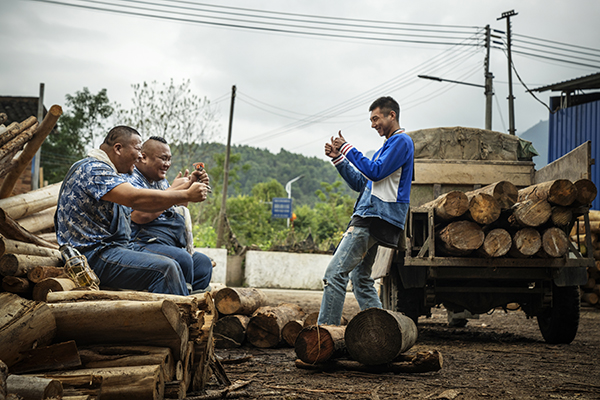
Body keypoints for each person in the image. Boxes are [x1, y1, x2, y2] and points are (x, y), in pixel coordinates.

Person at [55, 125, 209, 295]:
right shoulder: (93, 169)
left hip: (113, 249)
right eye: (137, 149)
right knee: (166, 269)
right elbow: (135, 199)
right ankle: (181, 309)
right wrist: (186, 194)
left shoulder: (109, 172)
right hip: (92, 255)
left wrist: (186, 189)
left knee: (196, 263)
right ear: (118, 148)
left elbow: (150, 200)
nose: (140, 156)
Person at [317, 96, 414, 326]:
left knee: (334, 274)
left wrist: (347, 148)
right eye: (371, 120)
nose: (373, 124)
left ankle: (324, 334)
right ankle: (381, 332)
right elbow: (363, 183)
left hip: (372, 218)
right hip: (374, 217)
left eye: (376, 119)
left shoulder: (401, 142)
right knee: (360, 278)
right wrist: (339, 159)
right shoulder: (386, 148)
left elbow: (374, 172)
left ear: (392, 115)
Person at [127, 136, 213, 294]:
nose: (167, 164)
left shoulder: (161, 181)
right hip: (140, 242)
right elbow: (140, 216)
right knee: (182, 258)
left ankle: (197, 303)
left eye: (169, 159)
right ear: (143, 157)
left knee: (203, 263)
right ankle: (183, 303)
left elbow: (177, 208)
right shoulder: (130, 179)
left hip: (167, 242)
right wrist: (177, 191)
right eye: (163, 158)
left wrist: (189, 187)